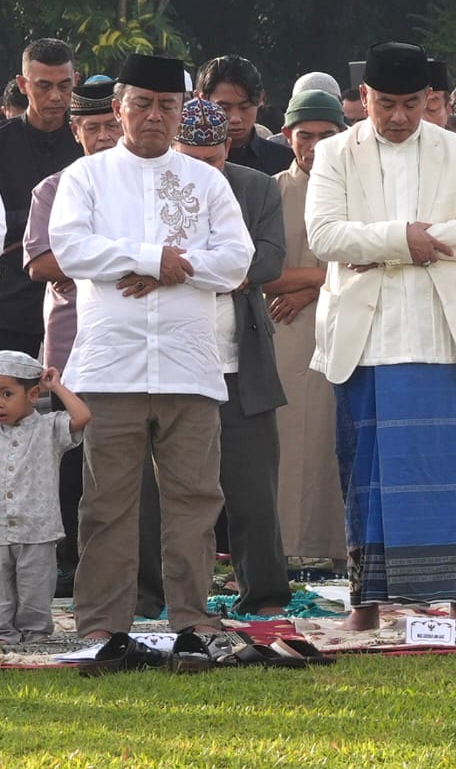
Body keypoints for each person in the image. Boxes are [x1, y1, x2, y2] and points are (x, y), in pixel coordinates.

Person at [49, 53, 254, 638]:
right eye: (142, 104)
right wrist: (148, 257)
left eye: (167, 106)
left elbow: (237, 262)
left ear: (183, 112)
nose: (154, 117)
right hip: (111, 366)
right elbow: (71, 250)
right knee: (107, 505)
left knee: (195, 502)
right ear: (118, 109)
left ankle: (192, 620)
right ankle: (100, 626)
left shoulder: (205, 180)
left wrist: (173, 270)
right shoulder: (85, 177)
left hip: (189, 366)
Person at [305, 41, 456, 631]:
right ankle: (366, 609)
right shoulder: (334, 153)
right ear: (363, 98)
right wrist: (404, 242)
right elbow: (325, 237)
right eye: (385, 103)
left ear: (429, 100)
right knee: (369, 472)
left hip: (441, 335)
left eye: (411, 104)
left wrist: (387, 246)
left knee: (454, 473)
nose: (397, 116)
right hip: (366, 340)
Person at [164, 97, 290, 616]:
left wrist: (188, 271)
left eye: (213, 161)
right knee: (167, 497)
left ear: (229, 149)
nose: (203, 173)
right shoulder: (154, 188)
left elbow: (267, 259)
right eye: (191, 160)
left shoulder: (257, 186)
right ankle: (159, 597)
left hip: (242, 364)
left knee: (254, 493)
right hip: (170, 365)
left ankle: (263, 597)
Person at [22, 80, 122, 591]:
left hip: (130, 344)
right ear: (76, 131)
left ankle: (117, 566)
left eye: (112, 125)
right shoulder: (53, 188)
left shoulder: (140, 187)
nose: (104, 136)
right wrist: (124, 257)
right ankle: (68, 566)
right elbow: (41, 262)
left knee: (124, 464)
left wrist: (88, 256)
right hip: (70, 346)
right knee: (70, 457)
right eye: (93, 127)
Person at [268, 90, 347, 562]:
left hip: (347, 327)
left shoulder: (359, 189)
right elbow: (253, 270)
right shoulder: (270, 190)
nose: (315, 146)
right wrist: (320, 278)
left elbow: (374, 258)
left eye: (326, 136)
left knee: (335, 443)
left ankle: (339, 549)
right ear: (287, 137)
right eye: (306, 136)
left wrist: (312, 284)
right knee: (289, 443)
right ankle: (290, 551)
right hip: (286, 334)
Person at [0, 39, 82, 357]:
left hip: (76, 296)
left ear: (75, 81)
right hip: (10, 298)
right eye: (44, 86)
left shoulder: (88, 143)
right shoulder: (4, 142)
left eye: (64, 86)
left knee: (74, 402)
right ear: (23, 84)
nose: (56, 97)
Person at [0, 352, 89, 644]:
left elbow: (82, 416)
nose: (0, 402)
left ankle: (35, 636)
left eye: (7, 394)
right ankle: (5, 635)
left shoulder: (49, 428)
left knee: (34, 592)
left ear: (33, 394)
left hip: (38, 532)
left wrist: (57, 387)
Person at [197, 54, 295, 175]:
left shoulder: (284, 162)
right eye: (224, 107)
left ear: (260, 99)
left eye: (245, 107)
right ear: (202, 100)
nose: (235, 118)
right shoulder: (188, 160)